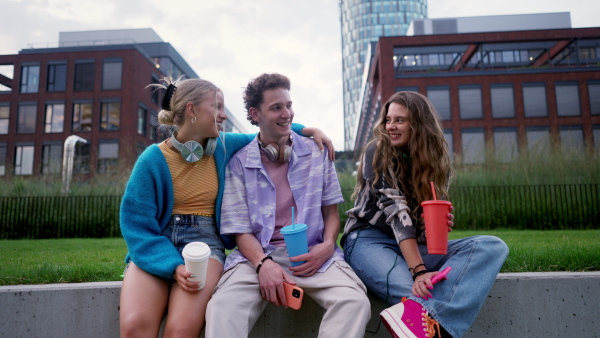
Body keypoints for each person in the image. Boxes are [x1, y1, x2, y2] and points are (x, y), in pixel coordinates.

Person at [119, 76, 334, 337]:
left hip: (205, 246)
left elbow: (268, 129)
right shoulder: (151, 160)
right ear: (191, 110)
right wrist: (172, 265)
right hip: (158, 244)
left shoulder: (223, 145)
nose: (223, 115)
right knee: (135, 327)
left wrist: (308, 130)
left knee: (181, 330)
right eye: (217, 106)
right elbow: (136, 227)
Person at [205, 73, 370, 338]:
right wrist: (263, 264)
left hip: (313, 255)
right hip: (256, 258)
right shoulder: (238, 163)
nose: (287, 114)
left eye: (289, 105)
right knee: (221, 308)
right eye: (276, 107)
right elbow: (240, 231)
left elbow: (331, 213)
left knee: (354, 302)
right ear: (255, 114)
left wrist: (327, 245)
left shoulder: (317, 153)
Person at [342, 91, 509, 338]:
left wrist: (433, 226)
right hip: (368, 241)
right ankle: (432, 324)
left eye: (400, 120)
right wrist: (420, 272)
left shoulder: (430, 162)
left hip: (410, 247)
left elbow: (417, 226)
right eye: (388, 120)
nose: (391, 126)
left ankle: (426, 318)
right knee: (416, 292)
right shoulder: (377, 151)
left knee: (491, 246)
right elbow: (398, 215)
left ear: (418, 124)